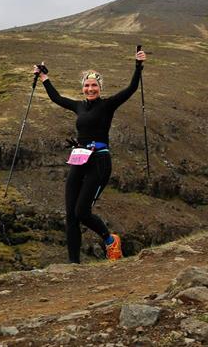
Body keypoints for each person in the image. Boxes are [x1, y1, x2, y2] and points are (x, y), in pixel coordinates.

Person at [33, 49, 146, 263]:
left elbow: (131, 88)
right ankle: (73, 264)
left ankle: (110, 240)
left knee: (82, 212)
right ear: (82, 88)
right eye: (87, 85)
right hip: (79, 159)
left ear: (100, 88)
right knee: (71, 216)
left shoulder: (108, 105)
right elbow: (56, 98)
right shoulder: (78, 106)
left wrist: (138, 65)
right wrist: (44, 77)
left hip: (99, 161)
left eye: (94, 85)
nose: (90, 88)